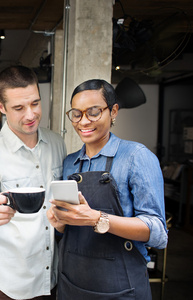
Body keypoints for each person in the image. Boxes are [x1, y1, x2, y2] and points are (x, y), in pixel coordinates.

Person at [47, 79, 168, 299]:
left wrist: (97, 218)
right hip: (71, 283)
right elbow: (67, 229)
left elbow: (159, 234)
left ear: (113, 111)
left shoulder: (136, 157)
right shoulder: (70, 163)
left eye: (93, 112)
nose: (83, 121)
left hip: (121, 287)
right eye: (76, 113)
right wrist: (60, 225)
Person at [0, 65, 66, 300]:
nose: (30, 115)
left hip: (50, 277)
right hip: (4, 283)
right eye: (19, 108)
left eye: (35, 103)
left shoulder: (56, 143)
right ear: (1, 107)